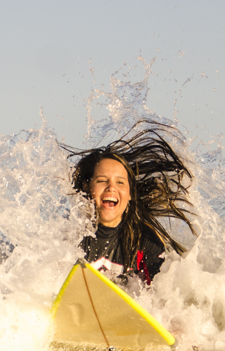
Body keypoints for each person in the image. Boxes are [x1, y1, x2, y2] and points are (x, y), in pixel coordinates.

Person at [66, 120, 195, 285]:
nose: (111, 187)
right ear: (86, 188)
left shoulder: (146, 242)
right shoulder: (69, 237)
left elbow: (162, 298)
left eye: (120, 182)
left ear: (130, 195)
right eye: (101, 180)